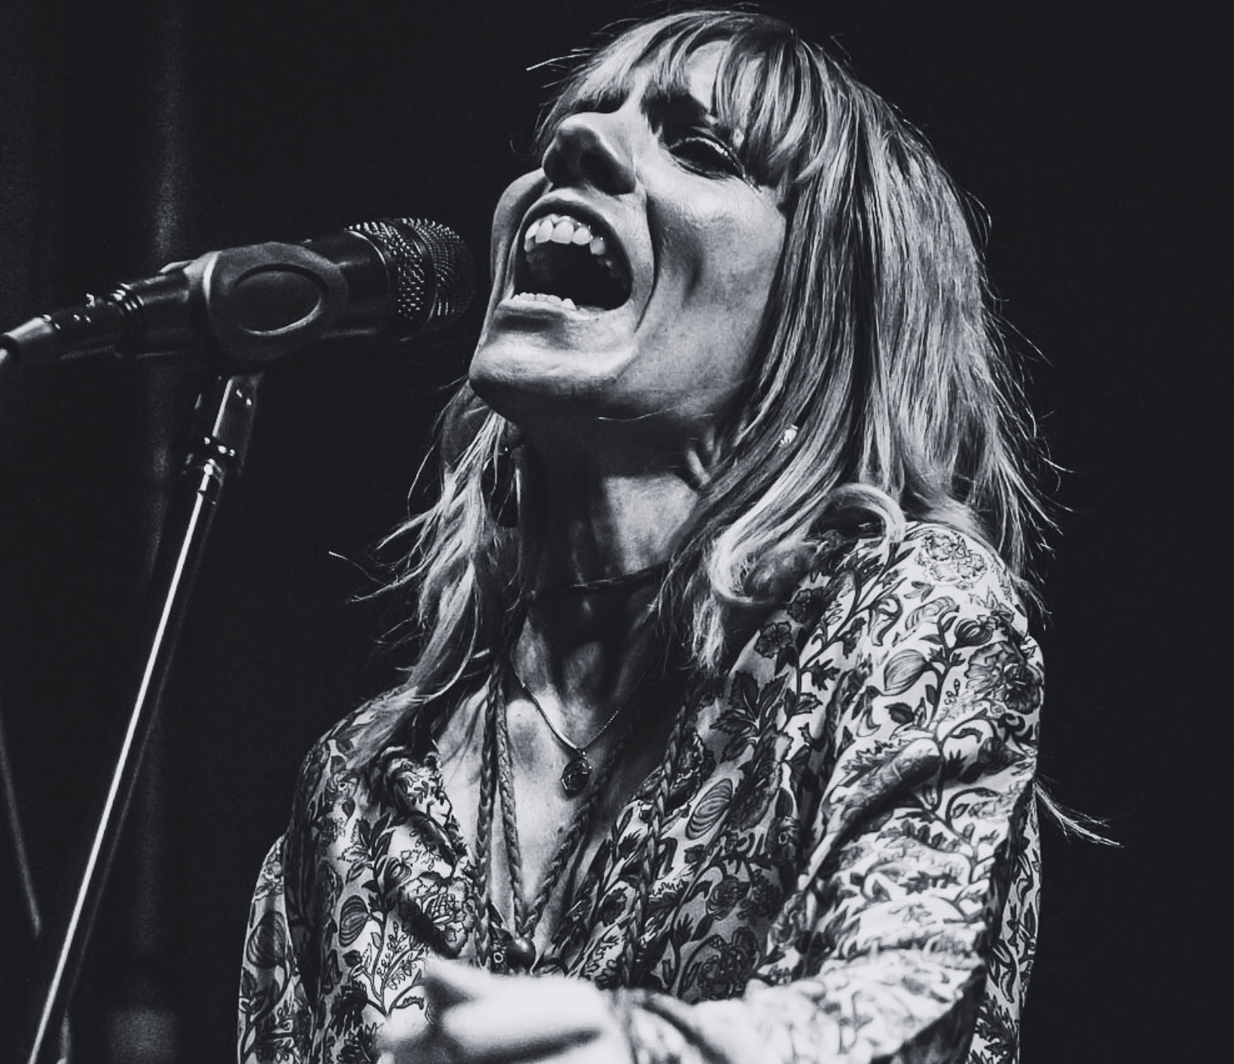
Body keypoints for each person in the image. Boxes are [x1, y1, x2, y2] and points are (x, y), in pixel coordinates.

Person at [239, 8, 1052, 1063]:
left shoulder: (903, 625)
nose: (577, 143)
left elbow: (903, 1009)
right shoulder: (358, 795)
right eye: (566, 127)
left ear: (819, 313)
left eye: (700, 147)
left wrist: (635, 1049)